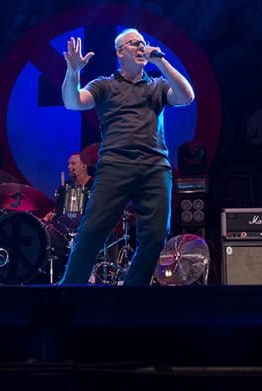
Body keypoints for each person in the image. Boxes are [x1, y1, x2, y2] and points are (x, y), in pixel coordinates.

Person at [58, 29, 195, 286]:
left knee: (156, 235)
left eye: (144, 43)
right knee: (92, 231)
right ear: (120, 52)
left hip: (155, 167)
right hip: (115, 165)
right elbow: (73, 102)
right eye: (135, 44)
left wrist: (160, 61)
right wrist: (73, 71)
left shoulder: (157, 85)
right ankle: (69, 292)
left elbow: (187, 96)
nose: (142, 47)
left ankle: (132, 293)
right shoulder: (104, 85)